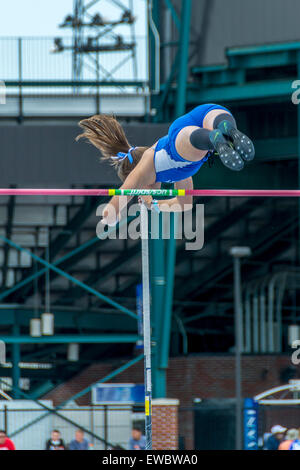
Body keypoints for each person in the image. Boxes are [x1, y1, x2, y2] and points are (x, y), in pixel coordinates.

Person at [76, 104, 255, 225]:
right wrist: (154, 205)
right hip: (202, 115)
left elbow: (119, 199)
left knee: (196, 148)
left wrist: (108, 218)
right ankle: (227, 130)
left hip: (179, 144)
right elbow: (185, 203)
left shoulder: (147, 167)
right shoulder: (181, 174)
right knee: (217, 124)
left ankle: (215, 139)